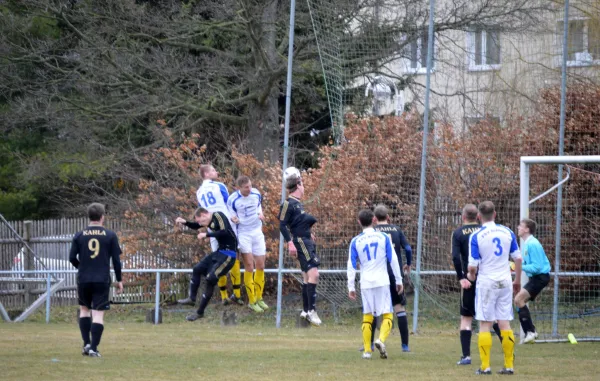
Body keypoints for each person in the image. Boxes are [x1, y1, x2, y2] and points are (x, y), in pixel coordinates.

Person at [467, 201, 522, 375]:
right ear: (495, 214)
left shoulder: (477, 235)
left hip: (487, 282)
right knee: (504, 322)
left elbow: (472, 265)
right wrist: (517, 280)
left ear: (478, 217)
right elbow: (518, 259)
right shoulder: (508, 232)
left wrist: (472, 275)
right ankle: (509, 365)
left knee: (485, 323)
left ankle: (485, 366)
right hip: (505, 281)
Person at [69, 203, 123, 358]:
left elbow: (72, 258)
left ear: (89, 217)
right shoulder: (110, 235)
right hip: (101, 279)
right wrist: (119, 280)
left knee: (84, 310)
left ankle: (86, 344)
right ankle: (93, 348)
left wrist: (82, 267)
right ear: (102, 217)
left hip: (84, 278)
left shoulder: (79, 235)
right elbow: (116, 261)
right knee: (98, 314)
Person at [348, 209, 403, 360]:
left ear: (359, 222)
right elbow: (393, 260)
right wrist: (399, 280)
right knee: (388, 314)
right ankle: (380, 340)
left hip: (366, 283)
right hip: (382, 281)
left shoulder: (355, 241)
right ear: (373, 220)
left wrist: (351, 287)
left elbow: (351, 265)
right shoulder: (383, 237)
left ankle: (367, 351)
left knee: (367, 317)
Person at [176, 208, 238, 321]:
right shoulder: (207, 221)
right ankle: (192, 298)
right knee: (197, 269)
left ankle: (200, 312)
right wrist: (185, 222)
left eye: (201, 221)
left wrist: (206, 235)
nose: (200, 224)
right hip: (219, 252)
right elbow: (196, 226)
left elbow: (224, 231)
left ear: (205, 214)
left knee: (210, 278)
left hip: (229, 255)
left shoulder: (218, 215)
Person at [278, 174, 321, 326]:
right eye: (302, 184)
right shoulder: (287, 204)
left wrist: (310, 233)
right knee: (314, 274)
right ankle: (312, 311)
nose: (304, 187)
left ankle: (305, 310)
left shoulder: (298, 204)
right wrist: (290, 243)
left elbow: (298, 224)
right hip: (301, 242)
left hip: (306, 240)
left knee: (306, 277)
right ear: (298, 185)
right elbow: (282, 225)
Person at [196, 164, 242, 305]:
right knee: (232, 256)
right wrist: (233, 216)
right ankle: (237, 294)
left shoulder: (198, 192)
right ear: (207, 174)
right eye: (213, 170)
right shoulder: (219, 186)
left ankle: (223, 296)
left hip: (212, 228)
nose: (216, 172)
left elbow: (203, 213)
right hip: (226, 225)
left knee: (218, 258)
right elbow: (228, 204)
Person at [371, 204, 413, 353]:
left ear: (374, 219)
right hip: (394, 274)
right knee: (399, 309)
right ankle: (405, 346)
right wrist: (408, 263)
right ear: (388, 217)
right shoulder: (396, 230)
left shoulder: (372, 232)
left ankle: (369, 344)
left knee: (374, 309)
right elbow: (408, 248)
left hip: (377, 275)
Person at [227, 176, 268, 312]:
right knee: (249, 266)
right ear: (239, 188)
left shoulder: (256, 193)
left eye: (250, 186)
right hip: (244, 234)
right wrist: (233, 219)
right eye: (246, 187)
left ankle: (259, 298)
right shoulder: (233, 199)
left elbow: (258, 207)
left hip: (257, 232)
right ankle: (251, 301)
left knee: (261, 265)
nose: (249, 189)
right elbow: (230, 216)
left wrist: (260, 214)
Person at [451, 204, 481, 365]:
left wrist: (461, 277)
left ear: (463, 217)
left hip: (470, 279)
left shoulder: (458, 233)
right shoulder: (484, 231)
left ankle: (466, 356)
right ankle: (507, 351)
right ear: (477, 217)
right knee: (494, 317)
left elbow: (455, 257)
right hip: (486, 279)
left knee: (466, 317)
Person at [515, 218, 551, 344]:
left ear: (527, 229)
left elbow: (537, 267)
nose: (518, 228)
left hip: (540, 277)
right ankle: (530, 332)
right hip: (536, 277)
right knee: (519, 300)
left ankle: (530, 332)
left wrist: (519, 267)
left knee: (518, 299)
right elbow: (527, 264)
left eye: (520, 226)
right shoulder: (527, 243)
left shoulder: (533, 244)